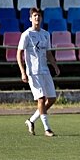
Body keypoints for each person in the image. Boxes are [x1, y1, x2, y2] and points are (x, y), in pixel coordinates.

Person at [17, 7, 59, 137]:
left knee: (51, 99)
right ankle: (47, 129)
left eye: (39, 15)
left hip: (45, 71)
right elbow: (19, 53)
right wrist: (23, 71)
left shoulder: (46, 34)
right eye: (34, 15)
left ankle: (31, 120)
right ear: (30, 18)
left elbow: (48, 53)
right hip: (33, 72)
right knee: (41, 99)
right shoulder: (27, 34)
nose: (37, 18)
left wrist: (55, 66)